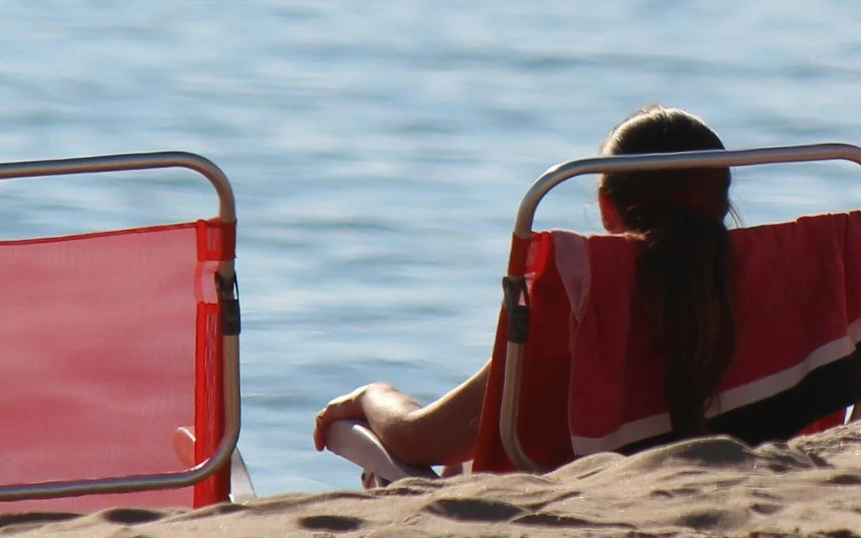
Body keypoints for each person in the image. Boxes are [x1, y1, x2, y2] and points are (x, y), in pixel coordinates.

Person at [315, 106, 737, 473]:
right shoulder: (767, 289)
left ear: (607, 208)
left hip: (583, 493)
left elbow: (418, 439)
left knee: (434, 459)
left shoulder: (581, 299)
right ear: (723, 200)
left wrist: (373, 395)